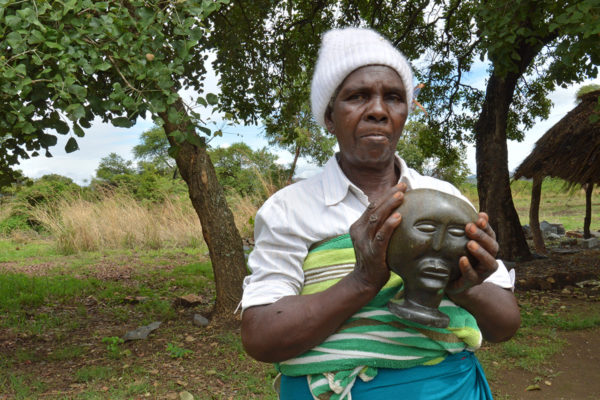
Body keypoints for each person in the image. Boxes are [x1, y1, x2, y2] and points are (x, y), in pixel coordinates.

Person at [240, 27, 520, 400]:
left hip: (450, 388)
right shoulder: (290, 209)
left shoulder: (446, 200)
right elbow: (261, 338)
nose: (377, 110)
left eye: (393, 97)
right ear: (328, 117)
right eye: (356, 97)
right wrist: (362, 281)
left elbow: (504, 325)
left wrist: (466, 288)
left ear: (405, 112)